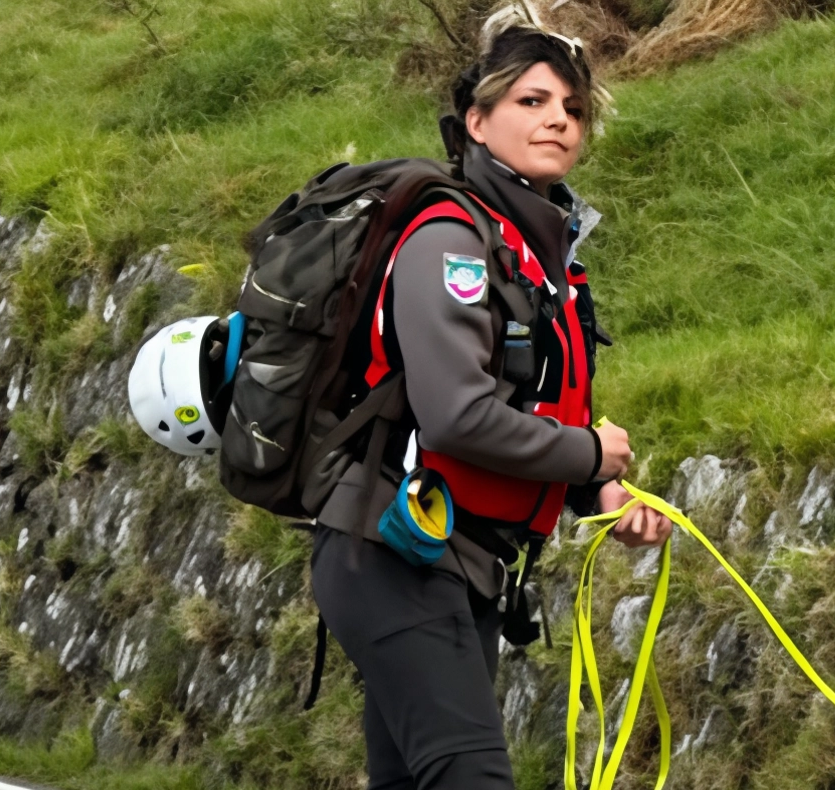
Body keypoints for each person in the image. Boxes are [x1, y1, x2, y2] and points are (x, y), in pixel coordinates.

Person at [309, 7, 672, 788]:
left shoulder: (543, 260)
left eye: (572, 109)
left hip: (461, 563)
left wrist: (598, 492)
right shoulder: (449, 242)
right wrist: (586, 451)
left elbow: (526, 407)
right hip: (394, 555)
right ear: (477, 121)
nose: (558, 121)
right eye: (531, 102)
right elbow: (456, 414)